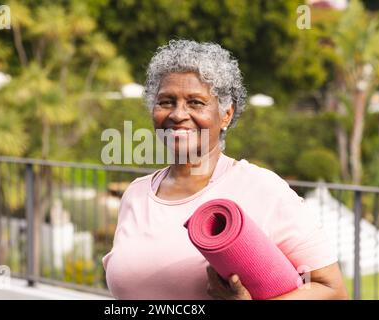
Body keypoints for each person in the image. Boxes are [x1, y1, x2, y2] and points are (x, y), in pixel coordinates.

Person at [102, 39, 348, 300]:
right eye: (166, 101)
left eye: (195, 102)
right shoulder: (136, 194)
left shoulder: (261, 188)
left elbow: (332, 290)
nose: (178, 114)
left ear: (226, 115)